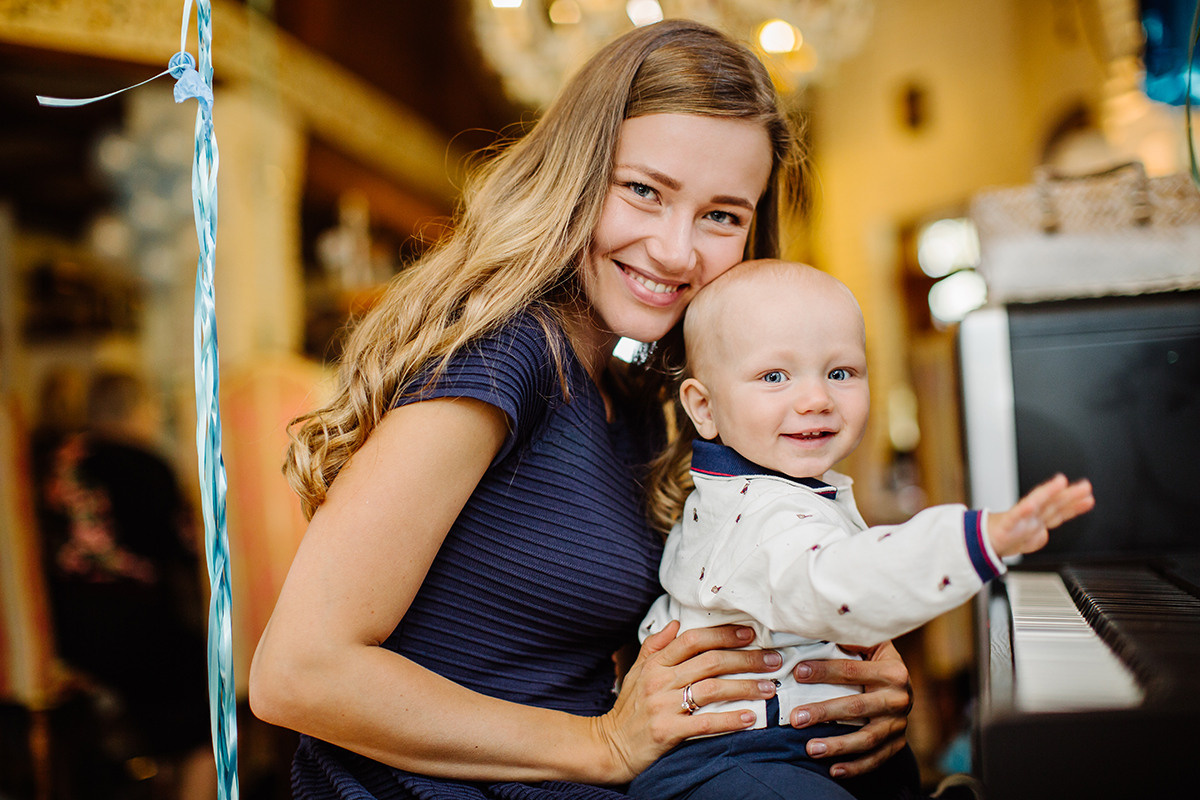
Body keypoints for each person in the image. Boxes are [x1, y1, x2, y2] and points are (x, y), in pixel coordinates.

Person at [249, 20, 916, 799]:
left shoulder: (635, 396)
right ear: (576, 174)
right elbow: (299, 672)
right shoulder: (507, 357)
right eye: (644, 191)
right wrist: (599, 743)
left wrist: (835, 666)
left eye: (722, 216)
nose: (676, 250)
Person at [628, 260, 1096, 800]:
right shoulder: (756, 515)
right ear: (704, 408)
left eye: (840, 372)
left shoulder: (767, 488)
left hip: (791, 743)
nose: (817, 399)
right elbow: (834, 582)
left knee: (895, 771)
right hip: (732, 760)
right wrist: (974, 541)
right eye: (774, 376)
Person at [40, 369, 216, 800]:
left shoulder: (59, 462)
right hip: (132, 628)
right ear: (138, 410)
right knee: (213, 703)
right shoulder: (146, 465)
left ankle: (152, 768)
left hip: (60, 631)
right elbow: (185, 551)